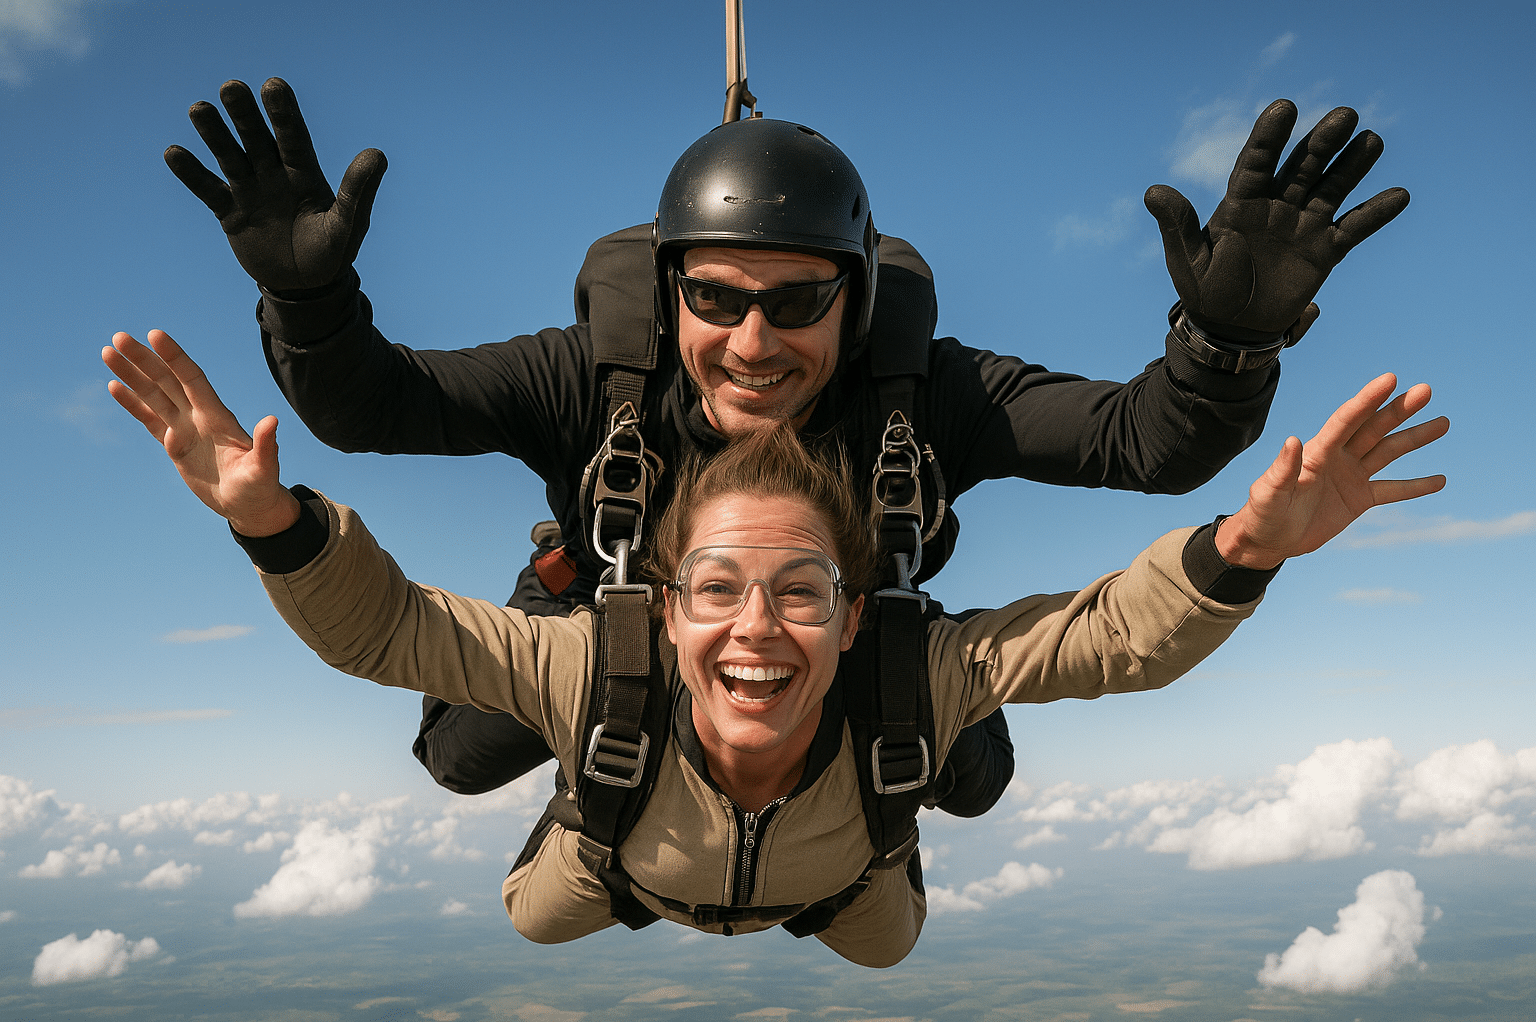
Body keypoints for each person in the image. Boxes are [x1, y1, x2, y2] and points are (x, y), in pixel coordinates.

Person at [164, 78, 1411, 810]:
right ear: (671, 294)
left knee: (966, 777)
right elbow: (375, 408)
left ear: (855, 301)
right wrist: (312, 310)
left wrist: (1229, 339)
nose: (754, 339)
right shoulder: (590, 374)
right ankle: (561, 587)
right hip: (617, 608)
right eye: (716, 297)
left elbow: (1147, 444)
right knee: (459, 757)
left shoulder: (927, 393)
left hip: (843, 621)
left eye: (798, 300)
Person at [104, 329, 1446, 967]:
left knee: (886, 932)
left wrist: (1250, 545)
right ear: (664, 608)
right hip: (617, 860)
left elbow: (1111, 639)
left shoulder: (897, 669)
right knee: (539, 917)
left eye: (804, 592)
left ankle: (884, 808)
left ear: (856, 615)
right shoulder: (597, 666)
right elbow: (392, 629)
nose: (757, 626)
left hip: (843, 870)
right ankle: (595, 774)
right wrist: (272, 520)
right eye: (719, 590)